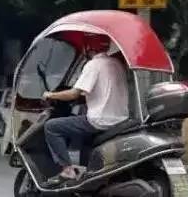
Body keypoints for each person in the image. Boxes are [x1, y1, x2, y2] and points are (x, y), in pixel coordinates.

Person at [42, 33, 129, 184]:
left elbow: (73, 93)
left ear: (88, 47)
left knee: (52, 127)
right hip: (120, 119)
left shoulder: (93, 65)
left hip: (100, 121)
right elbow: (102, 91)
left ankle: (67, 170)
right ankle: (87, 172)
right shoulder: (117, 64)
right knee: (85, 135)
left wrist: (51, 95)